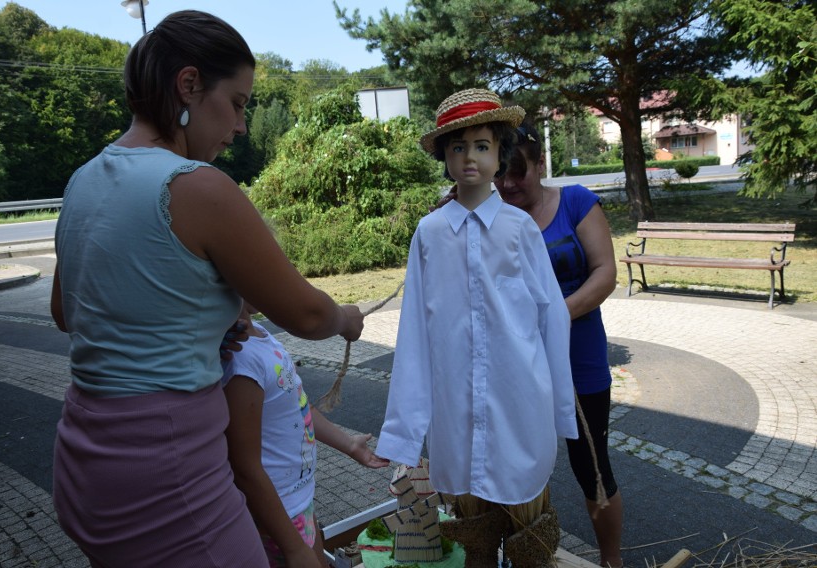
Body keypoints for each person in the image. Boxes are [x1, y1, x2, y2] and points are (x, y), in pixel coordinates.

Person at [49, 10, 363, 567]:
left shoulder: (84, 179)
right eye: (238, 103)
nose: (241, 125)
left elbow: (67, 313)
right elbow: (307, 317)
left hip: (83, 457)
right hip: (164, 470)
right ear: (189, 85)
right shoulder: (196, 186)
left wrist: (202, 319)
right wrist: (347, 317)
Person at [375, 89, 578, 568]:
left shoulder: (519, 229)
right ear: (445, 156)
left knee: (530, 536)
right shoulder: (429, 234)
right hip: (457, 410)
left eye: (482, 145)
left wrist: (561, 409)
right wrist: (405, 433)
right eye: (458, 147)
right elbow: (413, 335)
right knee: (472, 540)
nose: (470, 157)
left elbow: (552, 315)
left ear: (500, 153)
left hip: (520, 400)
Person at [495, 120, 623, 568]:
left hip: (579, 358)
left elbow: (605, 272)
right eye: (499, 174)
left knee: (591, 466)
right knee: (517, 461)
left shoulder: (575, 202)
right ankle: (525, 553)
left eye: (518, 172)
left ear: (540, 163)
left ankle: (611, 560)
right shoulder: (491, 215)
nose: (508, 184)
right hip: (518, 365)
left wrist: (553, 317)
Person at [221, 301, 389, 568]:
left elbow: (298, 404)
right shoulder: (240, 361)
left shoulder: (263, 336)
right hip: (276, 519)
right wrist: (294, 549)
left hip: (299, 503)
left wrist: (349, 444)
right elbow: (244, 468)